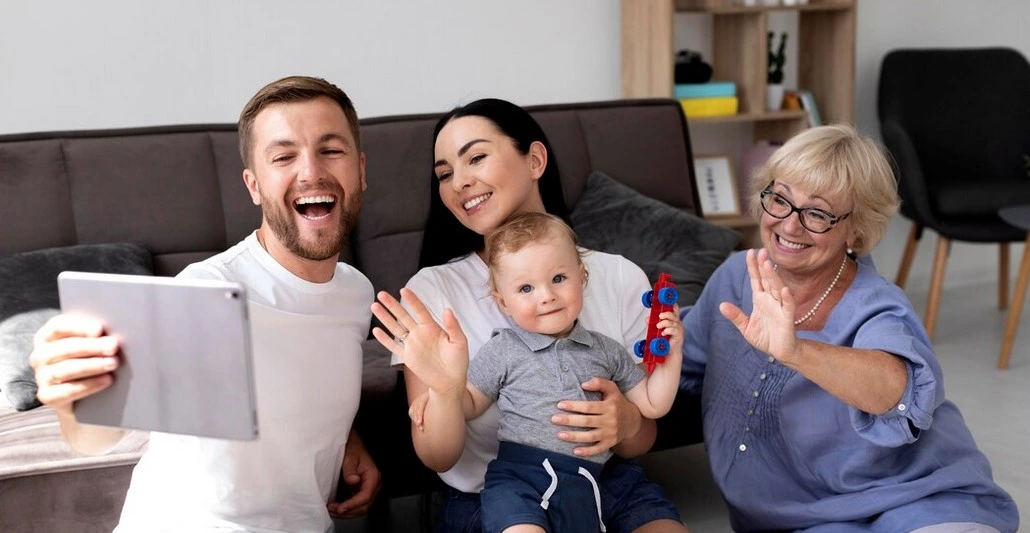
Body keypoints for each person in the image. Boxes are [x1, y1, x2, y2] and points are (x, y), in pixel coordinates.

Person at [29, 76, 381, 532]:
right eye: (283, 157)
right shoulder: (205, 291)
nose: (311, 171)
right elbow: (96, 437)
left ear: (361, 171)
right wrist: (70, 399)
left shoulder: (356, 292)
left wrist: (345, 438)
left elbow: (302, 382)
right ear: (254, 185)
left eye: (331, 150)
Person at [679, 124, 1019, 532]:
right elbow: (679, 357)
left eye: (817, 214)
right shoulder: (737, 276)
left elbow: (897, 392)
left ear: (856, 229)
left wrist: (796, 352)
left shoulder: (876, 305)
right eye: (780, 200)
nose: (789, 226)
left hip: (922, 500)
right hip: (806, 519)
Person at [371, 98, 688, 533]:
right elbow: (438, 457)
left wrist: (628, 422)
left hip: (606, 481)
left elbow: (642, 437)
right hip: (494, 495)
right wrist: (445, 392)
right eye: (445, 174)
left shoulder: (618, 276)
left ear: (535, 159)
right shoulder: (433, 292)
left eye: (476, 158)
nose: (459, 182)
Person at [401, 212, 684, 533]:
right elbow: (468, 404)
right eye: (526, 288)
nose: (546, 296)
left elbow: (653, 404)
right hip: (519, 482)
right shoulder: (503, 349)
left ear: (582, 277)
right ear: (502, 302)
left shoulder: (606, 350)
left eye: (559, 279)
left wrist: (672, 356)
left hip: (591, 478)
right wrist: (443, 391)